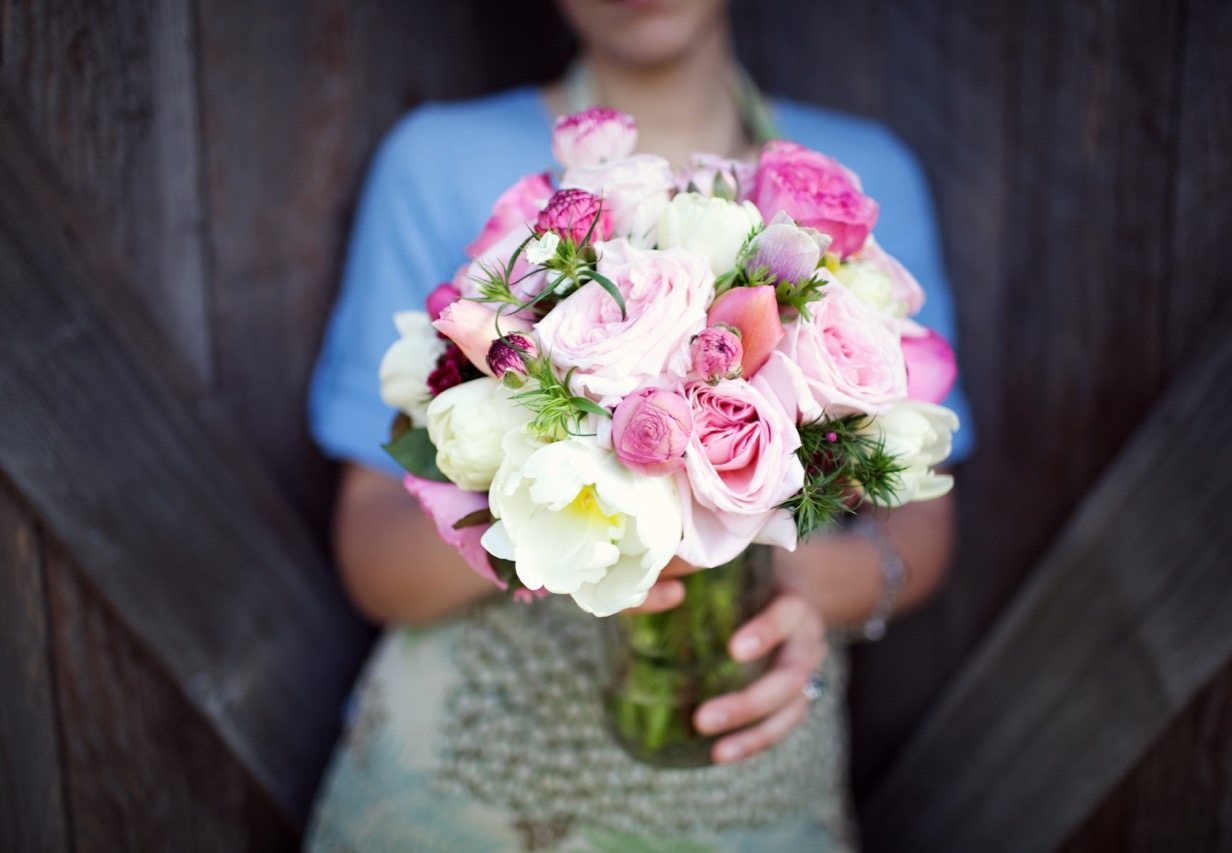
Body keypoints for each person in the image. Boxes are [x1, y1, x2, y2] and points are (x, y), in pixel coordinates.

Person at [304, 1, 973, 849]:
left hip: (749, 770)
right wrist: (562, 510)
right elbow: (372, 553)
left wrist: (795, 593)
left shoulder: (858, 183)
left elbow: (924, 516)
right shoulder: (438, 162)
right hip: (473, 788)